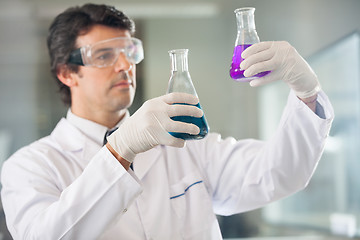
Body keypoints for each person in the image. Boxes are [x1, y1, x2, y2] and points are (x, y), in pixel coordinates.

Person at [0, 3, 334, 240]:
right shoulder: (30, 166)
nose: (124, 66)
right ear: (66, 72)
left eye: (128, 52)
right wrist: (120, 150)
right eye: (104, 55)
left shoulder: (184, 144)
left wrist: (307, 91)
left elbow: (279, 174)